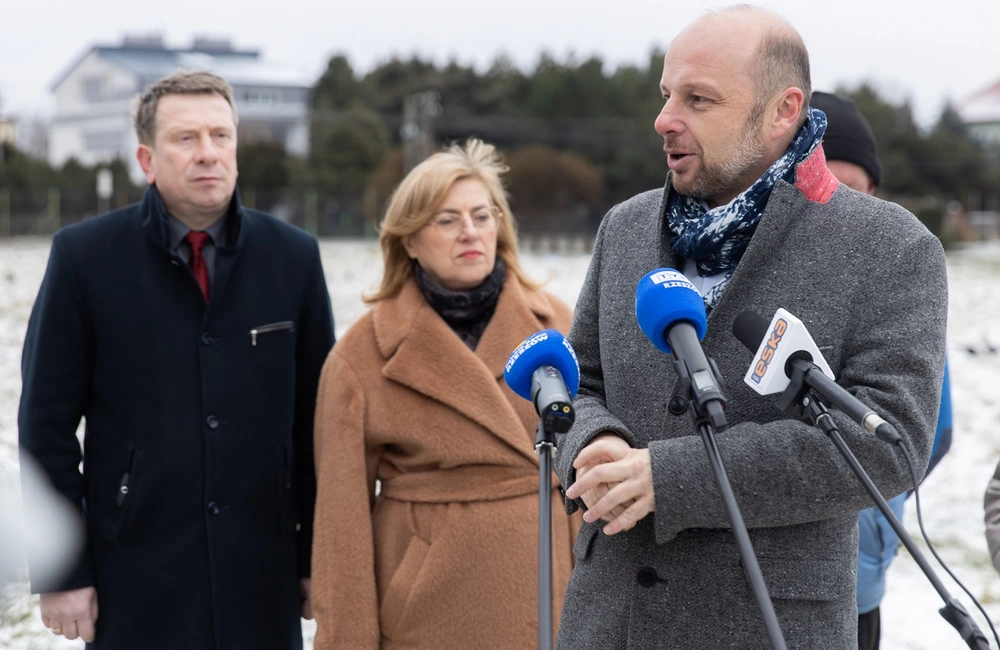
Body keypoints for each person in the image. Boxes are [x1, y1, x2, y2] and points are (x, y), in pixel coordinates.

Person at [555, 6, 947, 649]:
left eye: (698, 98)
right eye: (666, 95)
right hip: (609, 622)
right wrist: (591, 443)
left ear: (782, 110)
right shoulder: (624, 228)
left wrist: (669, 478)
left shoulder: (890, 247)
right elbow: (580, 377)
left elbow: (890, 444)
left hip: (768, 625)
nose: (664, 119)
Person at [18, 70, 335, 649]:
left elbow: (318, 423)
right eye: (186, 139)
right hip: (135, 569)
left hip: (261, 568)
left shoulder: (294, 258)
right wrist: (63, 570)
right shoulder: (83, 259)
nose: (207, 153)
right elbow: (45, 424)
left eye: (221, 135)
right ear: (147, 158)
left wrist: (318, 552)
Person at [310, 139, 578, 649]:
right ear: (408, 240)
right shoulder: (362, 355)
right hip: (425, 615)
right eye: (447, 220)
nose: (470, 232)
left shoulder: (559, 326)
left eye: (482, 215)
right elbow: (339, 529)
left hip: (552, 596)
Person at [810, 90, 954, 650]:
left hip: (859, 587)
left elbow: (930, 432)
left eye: (855, 190)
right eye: (825, 185)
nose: (839, 206)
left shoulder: (897, 287)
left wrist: (877, 515)